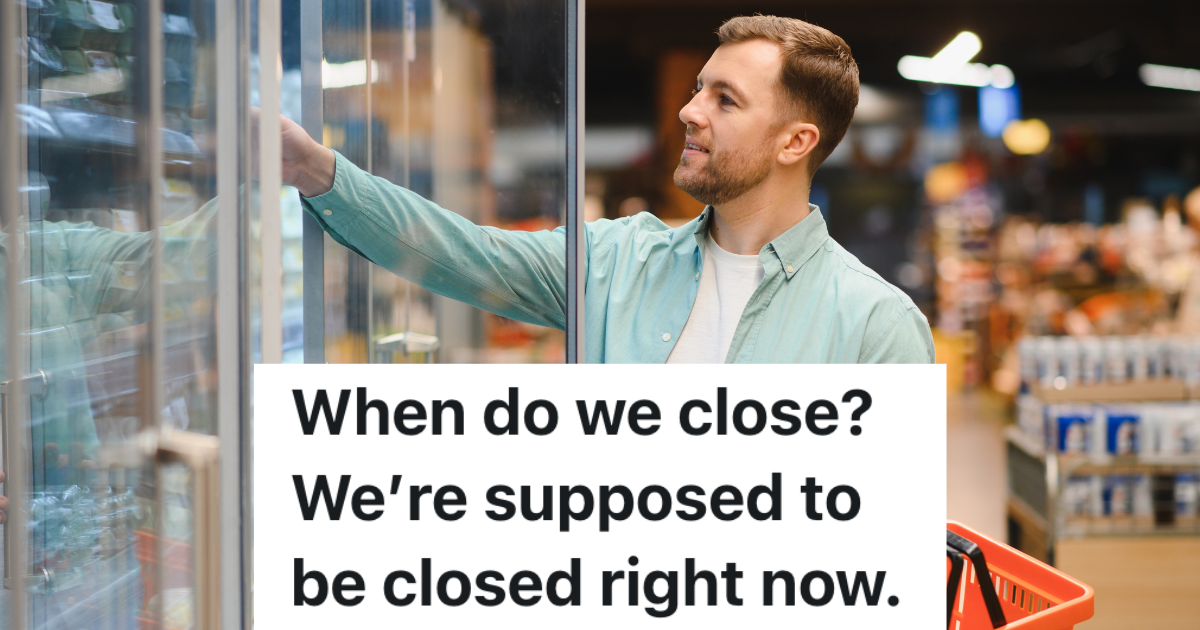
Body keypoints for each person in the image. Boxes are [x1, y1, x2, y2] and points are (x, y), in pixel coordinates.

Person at [281, 15, 934, 363]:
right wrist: (315, 170)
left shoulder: (877, 325)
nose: (690, 110)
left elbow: (881, 554)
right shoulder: (618, 262)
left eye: (725, 99)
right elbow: (465, 253)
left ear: (796, 142)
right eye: (697, 88)